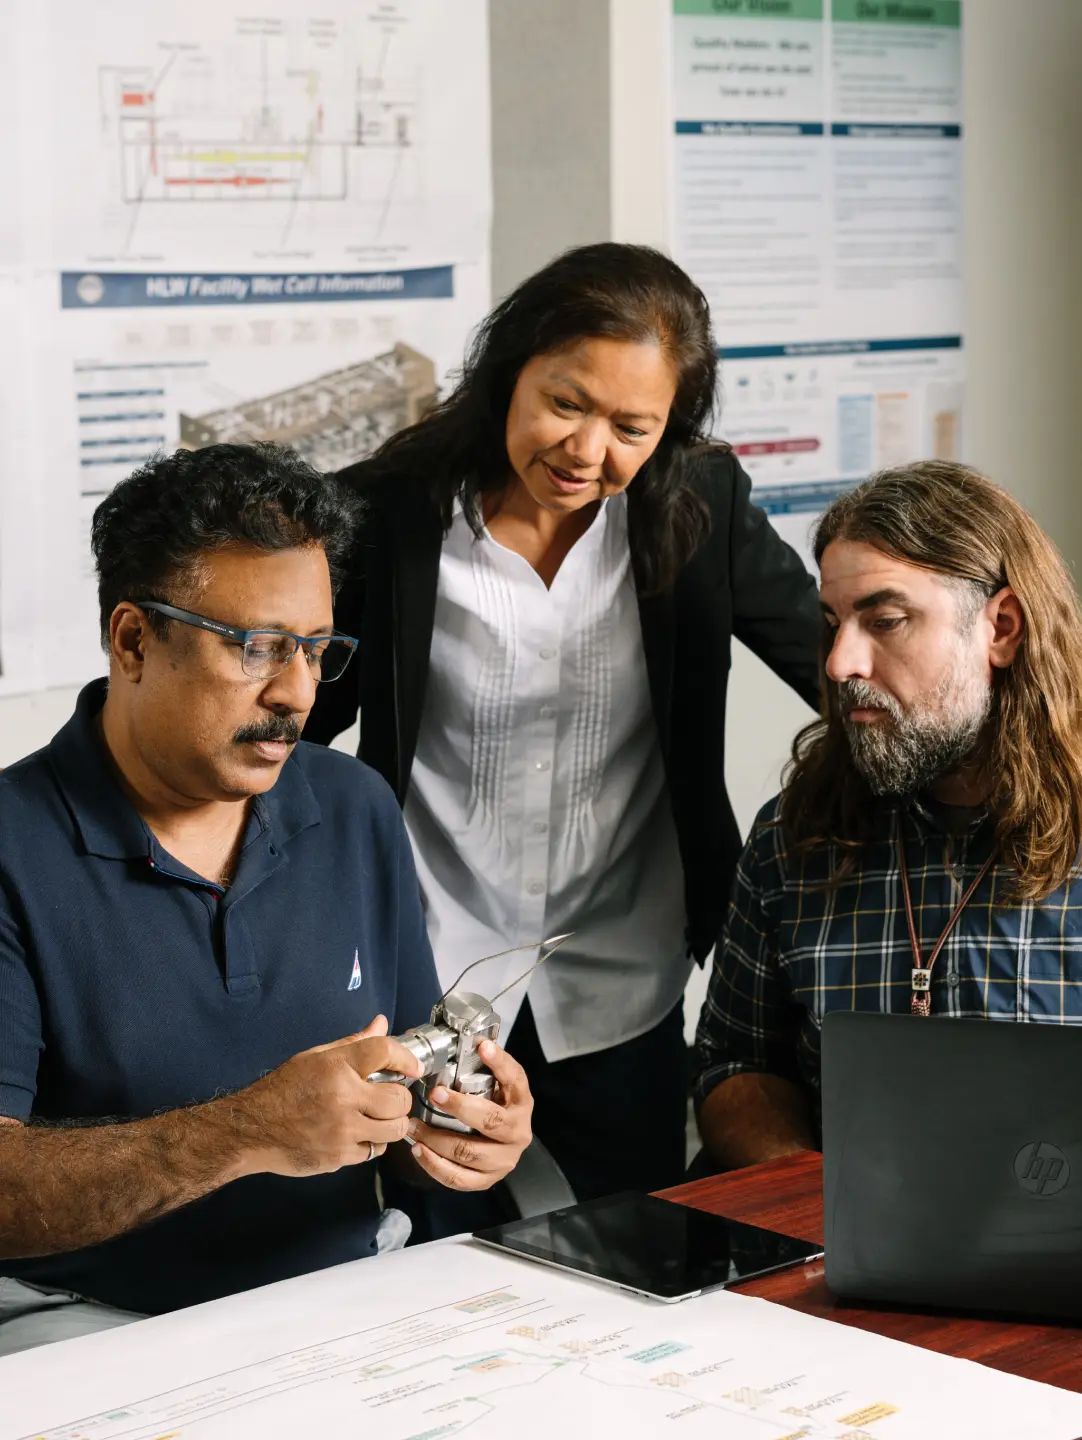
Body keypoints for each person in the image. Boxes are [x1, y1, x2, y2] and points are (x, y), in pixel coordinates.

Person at [304, 242, 821, 1224]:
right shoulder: (388, 514)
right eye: (566, 404)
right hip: (434, 965)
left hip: (623, 969)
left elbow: (834, 664)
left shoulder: (697, 505)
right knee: (438, 1256)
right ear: (510, 372)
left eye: (632, 426)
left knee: (628, 1249)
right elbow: (287, 722)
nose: (589, 451)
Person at [0, 443, 533, 1357]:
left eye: (318, 649)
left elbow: (402, 1089)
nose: (296, 693)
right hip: (91, 1327)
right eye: (257, 647)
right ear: (134, 640)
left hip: (350, 1292)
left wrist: (462, 1130)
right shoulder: (14, 848)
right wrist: (243, 1132)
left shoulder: (353, 805)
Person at [693, 460, 1082, 1172]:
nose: (840, 662)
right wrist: (820, 1210)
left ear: (1001, 627)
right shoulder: (795, 837)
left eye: (886, 620)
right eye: (834, 624)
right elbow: (735, 1060)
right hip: (845, 1258)